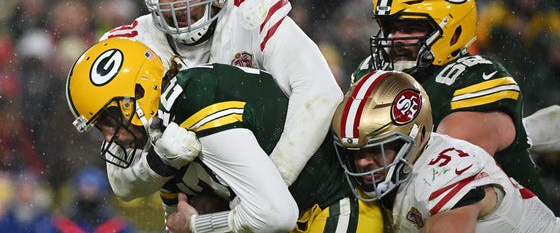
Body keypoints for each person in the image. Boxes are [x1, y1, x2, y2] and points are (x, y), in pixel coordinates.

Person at [99, 0, 343, 199]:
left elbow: (320, 92)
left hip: (294, 192)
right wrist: (161, 162)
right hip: (204, 200)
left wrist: (271, 183)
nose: (179, 1)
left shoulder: (252, 14)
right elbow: (121, 182)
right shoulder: (132, 45)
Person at [65, 38, 383, 233]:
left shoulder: (192, 101)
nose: (109, 134)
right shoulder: (165, 136)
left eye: (109, 118)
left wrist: (195, 225)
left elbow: (275, 215)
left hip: (331, 209)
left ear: (139, 92)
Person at [350, 0, 552, 207]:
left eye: (409, 28)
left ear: (453, 32)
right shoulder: (373, 72)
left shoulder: (472, 78)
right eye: (390, 27)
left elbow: (442, 176)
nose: (394, 39)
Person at [332, 70, 560, 232]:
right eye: (355, 152)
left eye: (376, 150)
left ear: (416, 137)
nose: (362, 163)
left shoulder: (445, 170)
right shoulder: (407, 170)